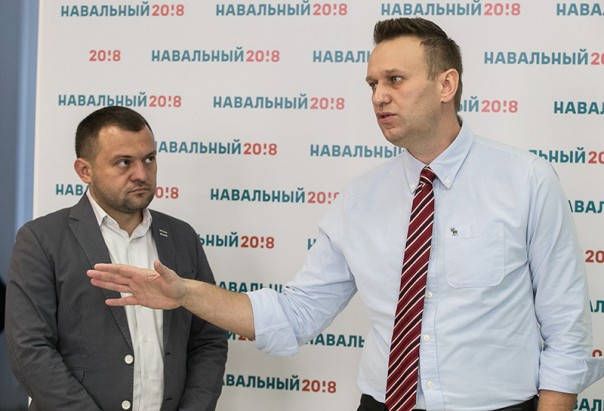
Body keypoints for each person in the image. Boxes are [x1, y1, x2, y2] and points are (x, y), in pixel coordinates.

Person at [87, 18, 603, 411]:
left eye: (395, 79)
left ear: (446, 86)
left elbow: (566, 330)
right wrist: (186, 294)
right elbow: (295, 314)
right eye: (373, 83)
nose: (379, 96)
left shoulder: (526, 181)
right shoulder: (360, 200)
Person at [5, 106, 228, 411]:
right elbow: (30, 349)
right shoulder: (42, 239)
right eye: (124, 162)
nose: (142, 174)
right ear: (85, 171)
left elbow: (208, 340)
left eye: (149, 159)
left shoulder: (181, 237)